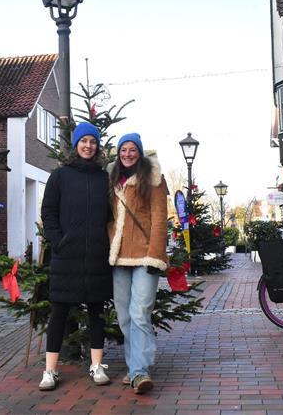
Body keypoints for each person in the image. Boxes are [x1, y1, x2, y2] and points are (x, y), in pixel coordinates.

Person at [38, 122, 113, 391]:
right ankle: (50, 370)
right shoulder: (60, 176)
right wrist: (59, 241)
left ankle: (96, 365)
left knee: (96, 312)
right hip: (66, 256)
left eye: (93, 142)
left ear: (97, 146)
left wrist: (106, 244)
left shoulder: (104, 178)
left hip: (96, 255)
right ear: (76, 144)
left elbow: (112, 216)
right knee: (58, 312)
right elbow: (48, 212)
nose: (88, 146)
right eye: (84, 141)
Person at [107, 133, 169, 394]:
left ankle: (140, 372)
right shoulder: (111, 179)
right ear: (119, 152)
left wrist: (156, 255)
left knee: (139, 313)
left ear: (140, 153)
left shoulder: (153, 178)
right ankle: (135, 367)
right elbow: (107, 218)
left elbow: (159, 218)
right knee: (124, 317)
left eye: (133, 150)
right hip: (119, 257)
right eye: (124, 149)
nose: (128, 154)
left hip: (145, 256)